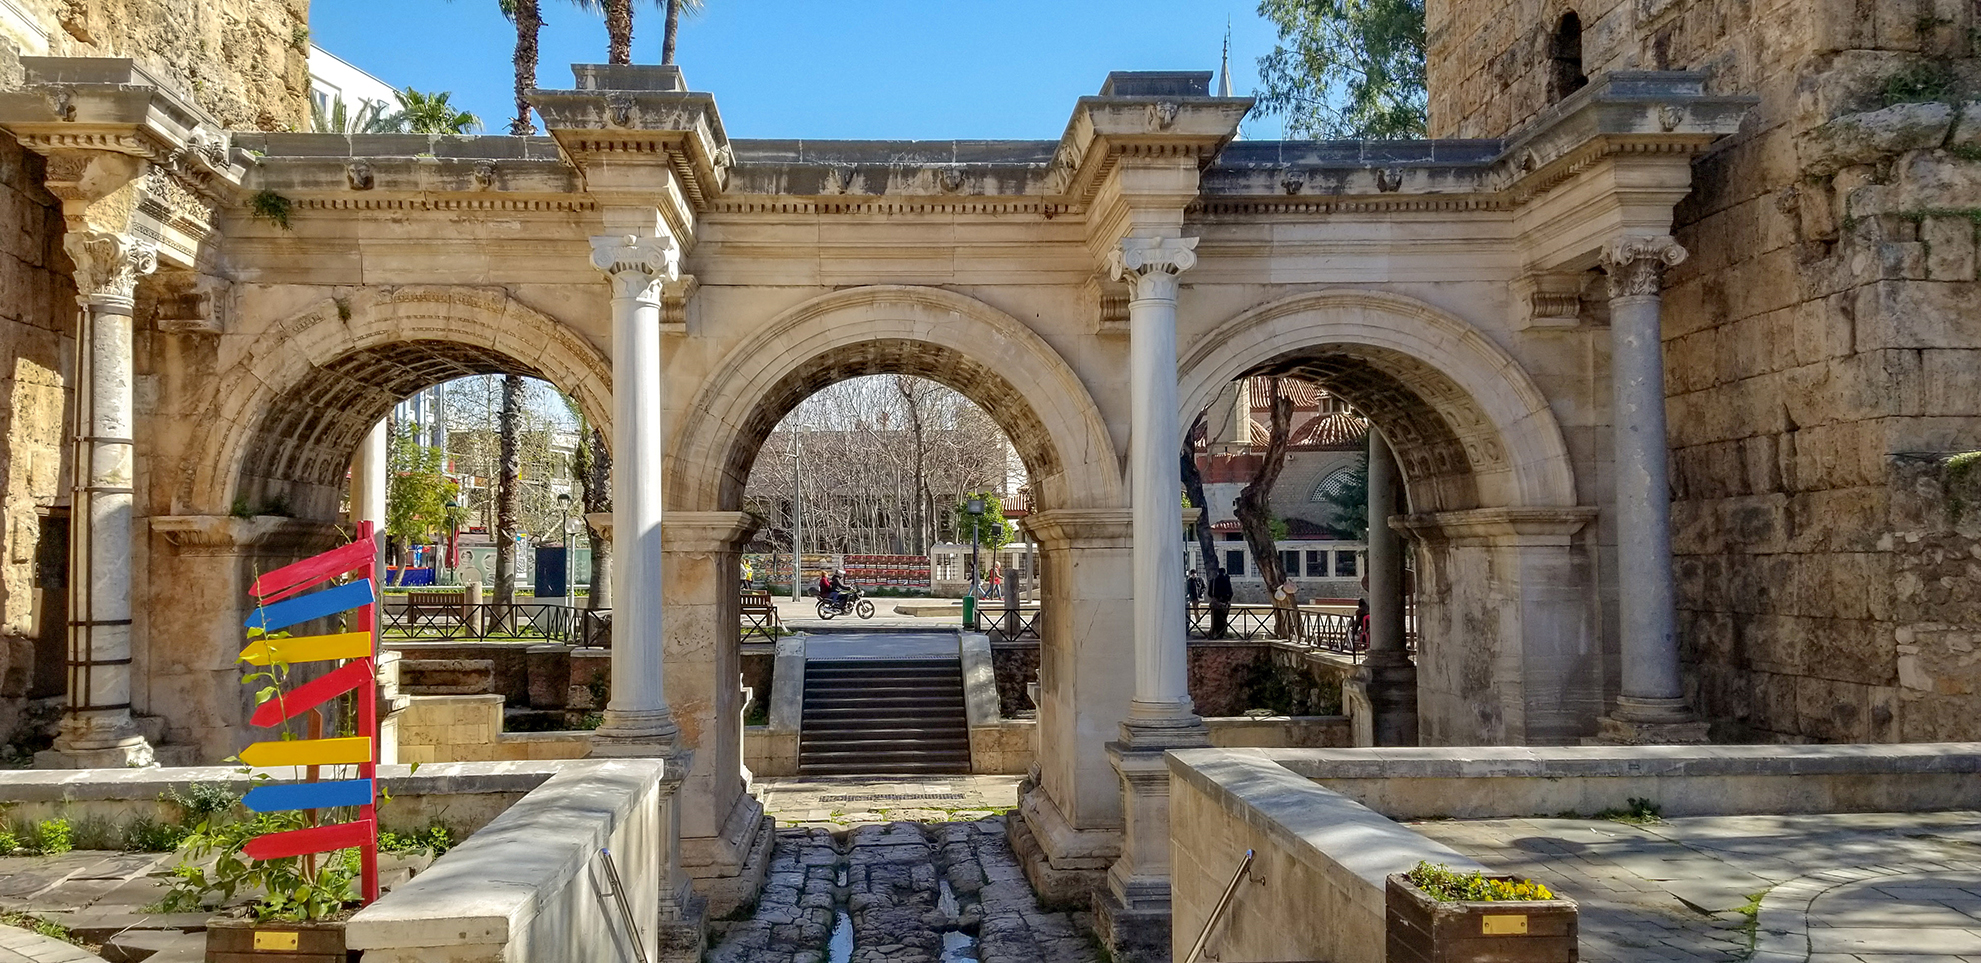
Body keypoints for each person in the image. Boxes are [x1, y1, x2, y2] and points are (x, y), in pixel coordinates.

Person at [1208, 565, 1233, 640]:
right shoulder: (1226, 580)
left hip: (1216, 603)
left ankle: (1215, 633)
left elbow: (1209, 593)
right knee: (1223, 619)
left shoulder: (1213, 581)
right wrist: (1227, 599)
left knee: (1215, 619)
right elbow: (1230, 592)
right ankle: (1222, 633)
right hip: (1224, 603)